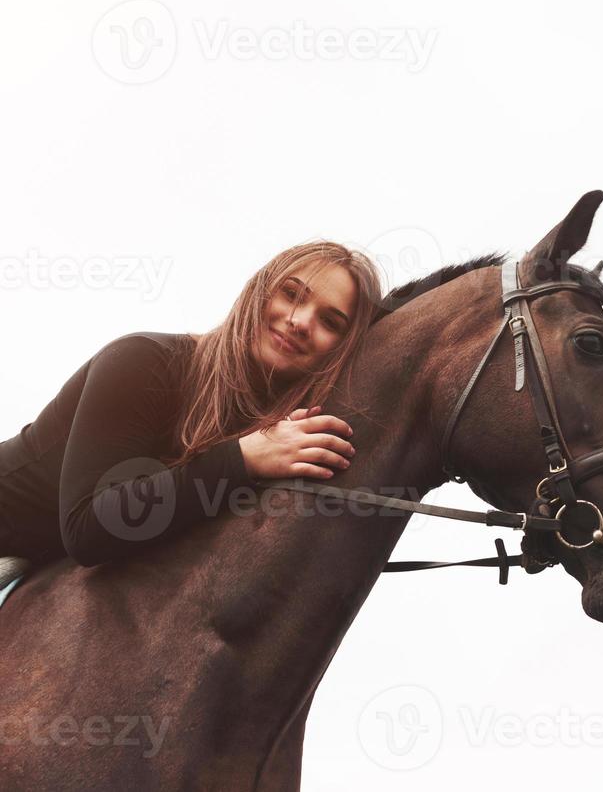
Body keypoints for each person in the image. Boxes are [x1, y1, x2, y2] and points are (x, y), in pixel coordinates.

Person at [0, 240, 382, 570]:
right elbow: (86, 530)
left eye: (330, 322)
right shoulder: (142, 362)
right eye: (291, 293)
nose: (300, 320)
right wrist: (242, 458)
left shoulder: (281, 432)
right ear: (258, 292)